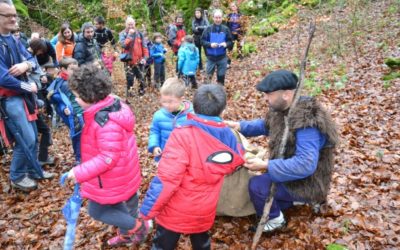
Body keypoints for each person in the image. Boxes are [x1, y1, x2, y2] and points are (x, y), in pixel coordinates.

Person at [225, 70, 339, 232]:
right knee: (262, 191)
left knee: (257, 186)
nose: (265, 98)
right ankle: (294, 202)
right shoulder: (283, 108)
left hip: (306, 182)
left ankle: (275, 221)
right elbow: (266, 125)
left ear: (286, 94)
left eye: (269, 94)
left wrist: (266, 165)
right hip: (290, 172)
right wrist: (240, 126)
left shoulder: (307, 123)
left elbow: (305, 164)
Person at [141, 84, 244, 249]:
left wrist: (147, 211)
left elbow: (167, 180)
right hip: (205, 207)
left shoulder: (182, 135)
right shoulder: (229, 136)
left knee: (163, 244)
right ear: (222, 109)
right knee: (201, 241)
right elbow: (238, 158)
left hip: (176, 209)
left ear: (194, 106)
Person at [65, 64, 151, 247]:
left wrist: (79, 172)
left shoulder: (105, 122)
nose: (76, 99)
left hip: (112, 177)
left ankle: (138, 226)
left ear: (90, 96)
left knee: (97, 211)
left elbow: (107, 158)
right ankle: (127, 233)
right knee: (117, 206)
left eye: (78, 96)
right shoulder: (109, 104)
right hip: (118, 176)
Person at [0, 0, 54, 192]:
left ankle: (32, 170)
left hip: (23, 97)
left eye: (14, 14)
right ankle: (17, 176)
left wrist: (27, 66)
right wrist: (28, 86)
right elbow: (3, 78)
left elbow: (30, 58)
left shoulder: (14, 39)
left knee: (33, 135)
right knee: (26, 138)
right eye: (7, 15)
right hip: (10, 99)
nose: (13, 18)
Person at [47, 58, 83, 163]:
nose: (76, 71)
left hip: (83, 112)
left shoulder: (75, 79)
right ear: (63, 69)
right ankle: (79, 160)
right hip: (76, 115)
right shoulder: (63, 84)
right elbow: (59, 101)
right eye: (72, 69)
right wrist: (64, 110)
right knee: (79, 137)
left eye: (77, 68)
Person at [148, 78, 193, 162]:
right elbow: (154, 132)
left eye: (170, 102)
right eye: (164, 101)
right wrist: (154, 146)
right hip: (165, 157)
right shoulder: (158, 115)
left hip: (185, 158)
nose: (166, 105)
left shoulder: (191, 115)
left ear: (181, 99)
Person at [201, 9, 233, 85]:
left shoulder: (226, 29)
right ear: (213, 18)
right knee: (207, 79)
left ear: (222, 18)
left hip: (222, 58)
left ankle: (219, 92)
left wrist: (226, 44)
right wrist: (210, 44)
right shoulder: (208, 29)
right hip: (210, 58)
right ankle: (206, 92)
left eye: (219, 17)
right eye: (216, 17)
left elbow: (231, 42)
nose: (218, 19)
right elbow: (202, 41)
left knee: (221, 78)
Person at [119, 17, 149, 96]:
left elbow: (144, 46)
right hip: (129, 61)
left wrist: (145, 58)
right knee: (130, 79)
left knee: (141, 78)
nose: (130, 26)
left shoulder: (139, 33)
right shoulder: (123, 34)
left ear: (134, 24)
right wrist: (129, 36)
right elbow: (123, 45)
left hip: (139, 60)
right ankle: (130, 94)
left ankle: (141, 93)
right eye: (129, 24)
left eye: (132, 24)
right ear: (126, 24)